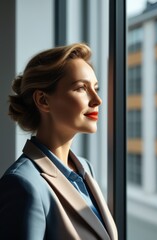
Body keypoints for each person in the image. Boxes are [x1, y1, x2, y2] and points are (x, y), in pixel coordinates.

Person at [0, 43, 118, 240]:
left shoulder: (85, 169)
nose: (97, 100)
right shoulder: (23, 184)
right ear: (43, 101)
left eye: (95, 88)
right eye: (81, 88)